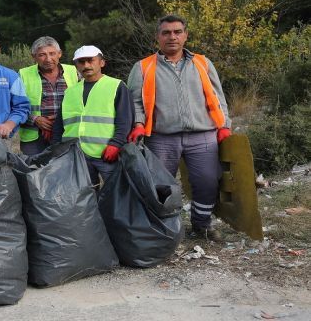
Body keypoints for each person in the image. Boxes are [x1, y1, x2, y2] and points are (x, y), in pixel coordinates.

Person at [127, 14, 232, 242]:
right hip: (161, 137)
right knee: (162, 187)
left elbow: (217, 96)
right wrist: (137, 124)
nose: (172, 37)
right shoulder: (143, 67)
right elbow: (135, 102)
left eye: (177, 32)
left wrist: (224, 125)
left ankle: (202, 226)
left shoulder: (203, 63)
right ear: (158, 37)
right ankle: (166, 230)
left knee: (207, 181)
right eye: (166, 33)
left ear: (185, 35)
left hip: (203, 135)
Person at [52, 45, 132, 185]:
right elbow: (60, 124)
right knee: (85, 197)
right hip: (76, 154)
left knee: (115, 192)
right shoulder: (70, 92)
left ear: (101, 62)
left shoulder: (116, 86)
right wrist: (56, 147)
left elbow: (124, 120)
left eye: (90, 60)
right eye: (81, 62)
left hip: (106, 153)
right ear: (76, 66)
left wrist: (116, 144)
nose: (86, 65)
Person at [18, 36, 78, 155]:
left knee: (66, 170)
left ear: (59, 54)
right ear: (34, 56)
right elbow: (13, 105)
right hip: (34, 137)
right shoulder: (23, 74)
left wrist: (60, 119)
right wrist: (35, 119)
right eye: (42, 55)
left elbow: (83, 101)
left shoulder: (74, 71)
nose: (48, 59)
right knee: (34, 171)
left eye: (52, 53)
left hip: (67, 133)